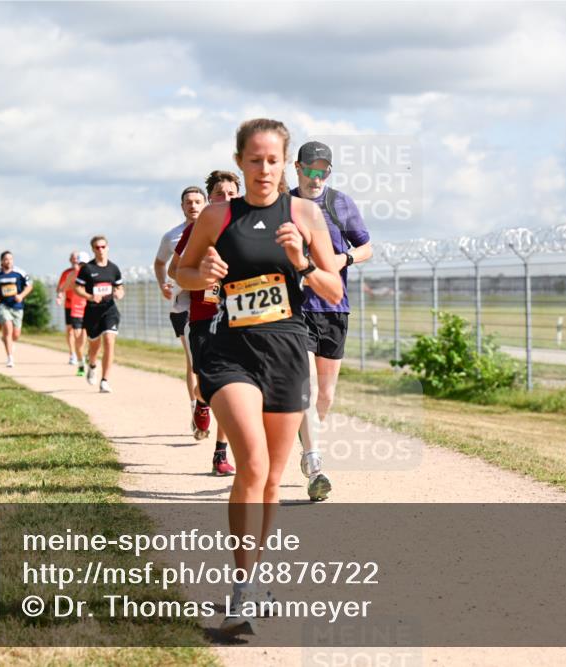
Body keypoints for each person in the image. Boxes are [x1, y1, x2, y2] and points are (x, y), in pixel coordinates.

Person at [175, 118, 342, 635]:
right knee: (250, 462)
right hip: (229, 352)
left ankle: (256, 575)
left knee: (271, 478)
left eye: (272, 160)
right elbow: (180, 272)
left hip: (288, 348)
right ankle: (242, 589)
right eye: (254, 159)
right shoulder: (220, 216)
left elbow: (333, 291)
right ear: (241, 161)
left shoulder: (306, 213)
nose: (263, 169)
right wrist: (199, 276)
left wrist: (299, 262)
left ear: (285, 163)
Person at [292, 141, 374, 501]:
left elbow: (367, 246)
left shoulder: (340, 203)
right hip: (297, 309)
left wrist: (346, 260)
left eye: (322, 170)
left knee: (325, 396)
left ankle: (310, 438)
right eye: (310, 168)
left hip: (335, 308)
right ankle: (314, 462)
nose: (315, 175)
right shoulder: (286, 204)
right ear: (297, 168)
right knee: (305, 386)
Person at [169, 170, 241, 476]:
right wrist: (203, 275)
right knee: (206, 387)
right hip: (203, 317)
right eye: (219, 195)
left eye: (232, 194)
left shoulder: (251, 228)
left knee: (229, 388)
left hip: (240, 318)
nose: (226, 199)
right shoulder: (198, 228)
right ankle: (201, 403)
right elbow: (174, 270)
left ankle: (220, 454)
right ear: (210, 199)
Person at [156, 186, 211, 439]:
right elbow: (161, 264)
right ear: (182, 207)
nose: (193, 206)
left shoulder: (218, 228)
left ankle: (203, 404)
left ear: (205, 202)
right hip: (183, 305)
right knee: (192, 360)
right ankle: (196, 405)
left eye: (198, 201)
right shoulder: (173, 236)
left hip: (210, 302)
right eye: (188, 202)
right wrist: (164, 286)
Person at [74, 236, 124, 393]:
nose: (100, 250)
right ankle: (92, 365)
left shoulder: (114, 268)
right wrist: (89, 297)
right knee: (94, 346)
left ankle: (105, 380)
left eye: (103, 246)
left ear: (107, 247)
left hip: (110, 310)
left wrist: (119, 293)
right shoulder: (87, 269)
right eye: (97, 247)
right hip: (92, 313)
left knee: (109, 340)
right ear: (93, 249)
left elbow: (120, 287)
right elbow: (77, 288)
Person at [0, 251, 33, 367]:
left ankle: (8, 341)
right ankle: (10, 358)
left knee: (16, 334)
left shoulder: (20, 273)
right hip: (3, 305)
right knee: (8, 329)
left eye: (10, 259)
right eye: (6, 259)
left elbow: (29, 286)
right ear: (1, 261)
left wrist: (21, 296)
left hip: (17, 306)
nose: (8, 261)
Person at [56, 251, 85, 365]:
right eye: (73, 258)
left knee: (83, 332)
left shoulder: (86, 273)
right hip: (70, 305)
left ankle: (81, 352)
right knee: (70, 330)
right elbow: (61, 288)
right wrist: (60, 296)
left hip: (84, 305)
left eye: (77, 258)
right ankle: (72, 353)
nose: (75, 260)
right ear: (70, 260)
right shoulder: (67, 273)